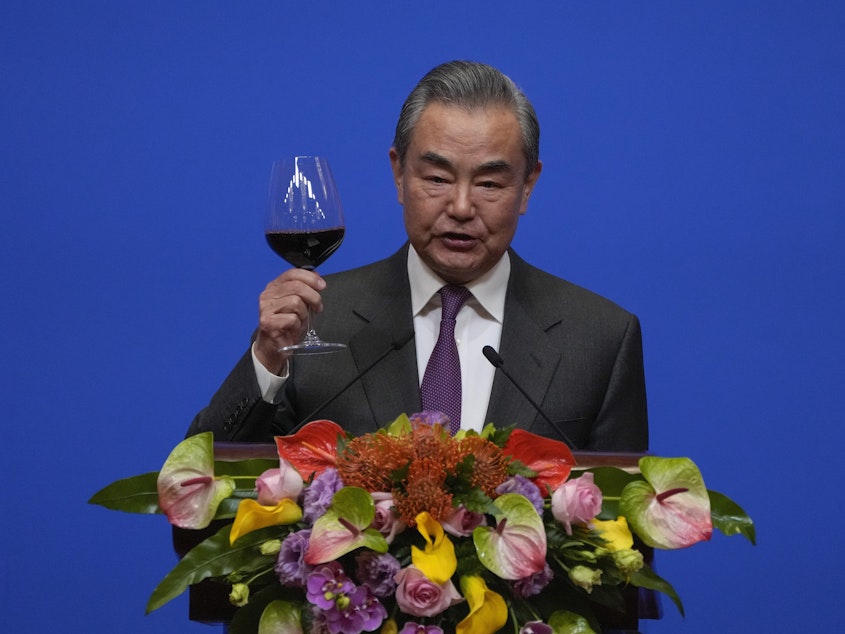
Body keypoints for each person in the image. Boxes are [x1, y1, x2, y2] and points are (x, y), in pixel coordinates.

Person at [187, 60, 648, 451]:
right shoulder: (314, 322)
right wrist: (268, 359)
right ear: (398, 174)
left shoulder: (600, 340)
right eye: (437, 178)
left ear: (527, 186)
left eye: (489, 183)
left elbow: (627, 545)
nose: (462, 207)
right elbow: (198, 506)